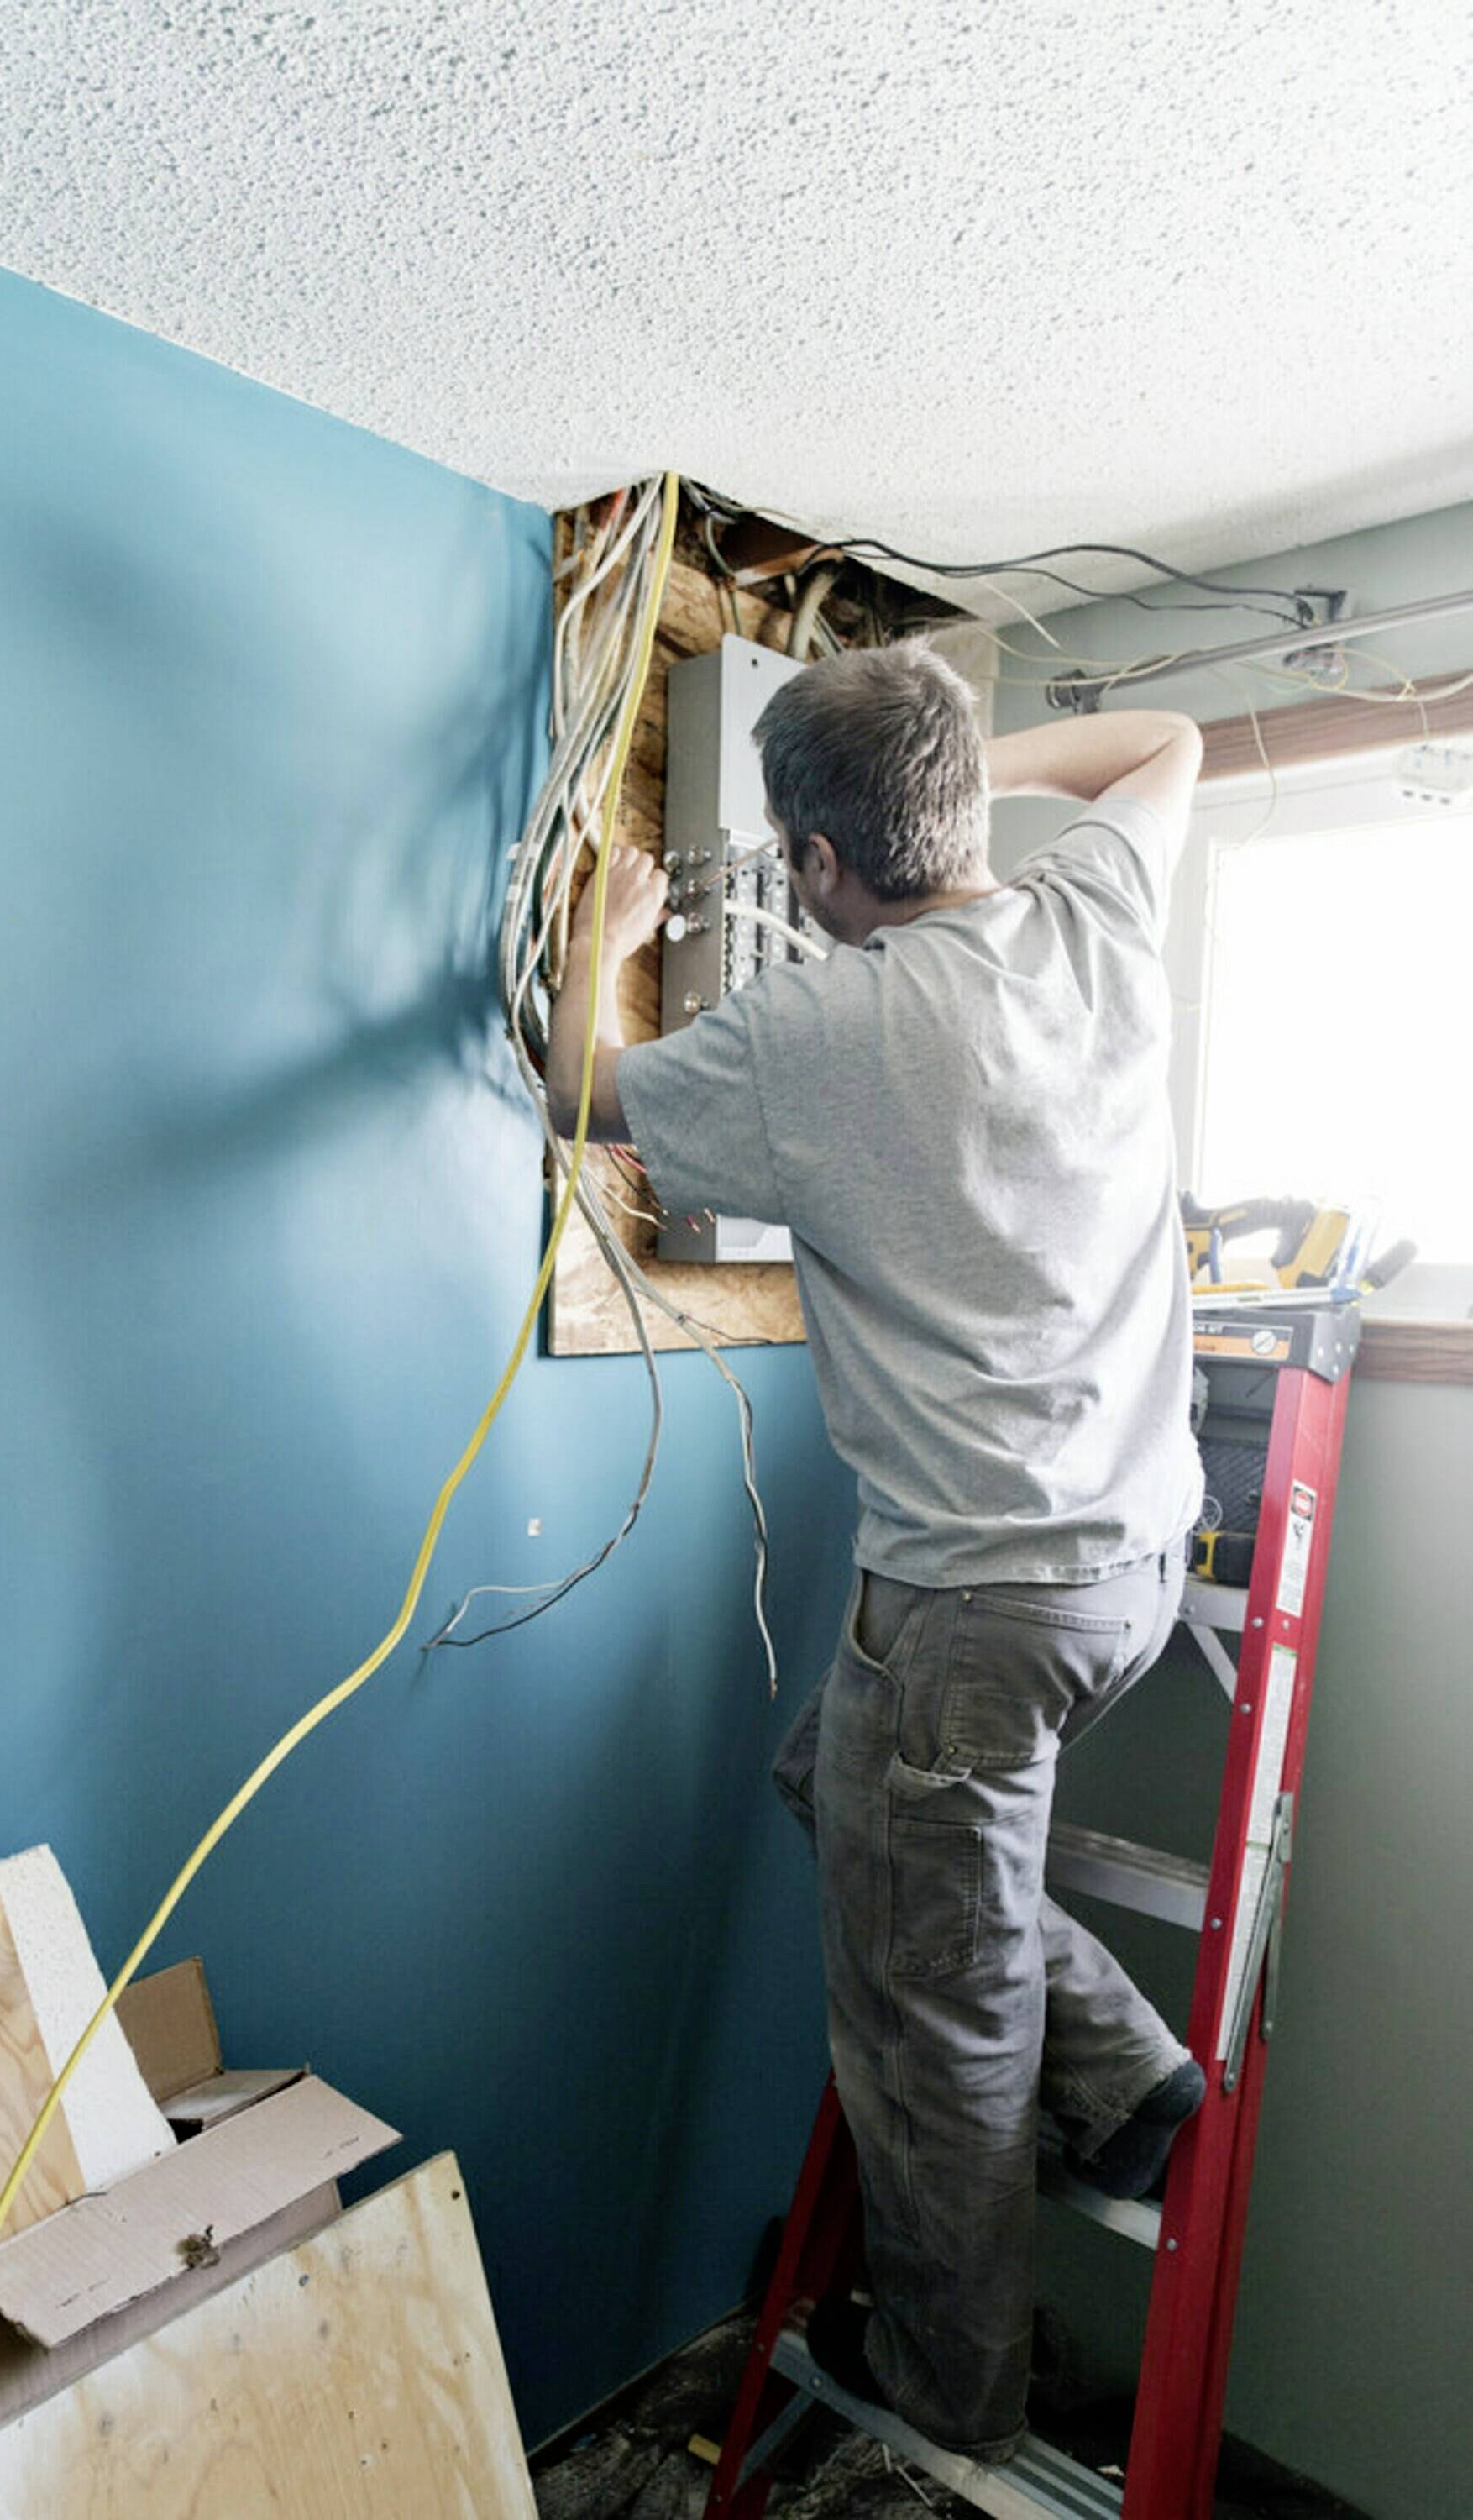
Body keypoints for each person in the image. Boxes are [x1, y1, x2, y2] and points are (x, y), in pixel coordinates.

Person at [544, 640, 1208, 2466]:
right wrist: (972, 771)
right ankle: (1126, 2075)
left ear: (816, 872)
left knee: (931, 2013)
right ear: (964, 804)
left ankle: (947, 2392)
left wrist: (604, 935)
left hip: (972, 1610)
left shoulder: (808, 1032)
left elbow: (571, 1085)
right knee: (841, 1794)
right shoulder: (1088, 911)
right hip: (1130, 1566)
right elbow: (1167, 734)